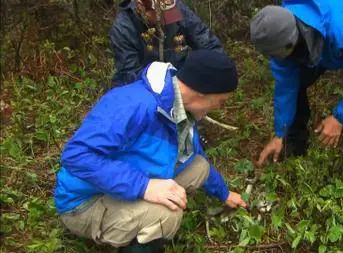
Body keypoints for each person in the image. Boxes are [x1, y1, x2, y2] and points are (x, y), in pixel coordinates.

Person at [54, 50, 247, 252]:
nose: (220, 107)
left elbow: (192, 152)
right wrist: (144, 186)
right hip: (84, 203)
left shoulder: (180, 109)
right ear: (202, 93)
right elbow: (76, 156)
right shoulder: (133, 104)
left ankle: (142, 217)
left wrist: (224, 194)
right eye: (221, 101)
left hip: (122, 184)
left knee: (199, 166)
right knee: (168, 214)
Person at [250, 0, 343, 200]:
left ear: (293, 40)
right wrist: (280, 133)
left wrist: (339, 118)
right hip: (324, 34)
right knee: (295, 82)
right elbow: (285, 88)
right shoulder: (280, 35)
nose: (276, 60)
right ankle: (294, 147)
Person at [110, 0, 224, 86]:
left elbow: (202, 37)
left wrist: (220, 66)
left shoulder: (173, 9)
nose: (168, 16)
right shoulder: (124, 28)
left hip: (182, 80)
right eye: (161, 12)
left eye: (169, 10)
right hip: (146, 92)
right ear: (141, 7)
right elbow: (130, 75)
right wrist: (171, 90)